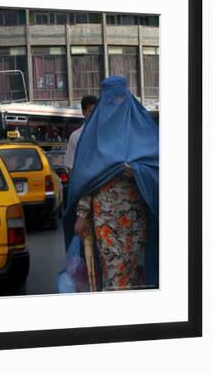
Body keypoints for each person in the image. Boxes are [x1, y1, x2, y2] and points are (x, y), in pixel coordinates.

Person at [62, 76, 159, 290]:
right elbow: (87, 177)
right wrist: (81, 215)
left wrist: (136, 171)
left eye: (120, 97)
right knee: (114, 273)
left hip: (136, 217)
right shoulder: (92, 134)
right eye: (110, 98)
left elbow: (159, 167)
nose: (115, 104)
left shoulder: (141, 128)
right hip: (105, 217)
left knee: (136, 272)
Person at [63, 95, 98, 170]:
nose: (94, 115)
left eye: (96, 111)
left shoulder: (106, 133)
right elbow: (71, 166)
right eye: (91, 112)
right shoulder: (76, 136)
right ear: (83, 112)